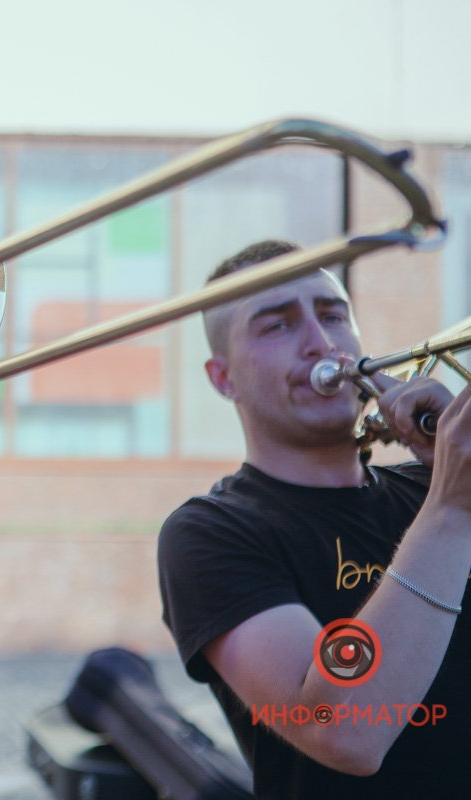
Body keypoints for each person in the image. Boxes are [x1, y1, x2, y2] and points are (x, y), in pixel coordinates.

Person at [157, 239, 471, 799]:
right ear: (222, 377)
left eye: (332, 316)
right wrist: (450, 509)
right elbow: (344, 732)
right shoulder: (210, 533)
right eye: (277, 326)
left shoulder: (440, 488)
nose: (321, 343)